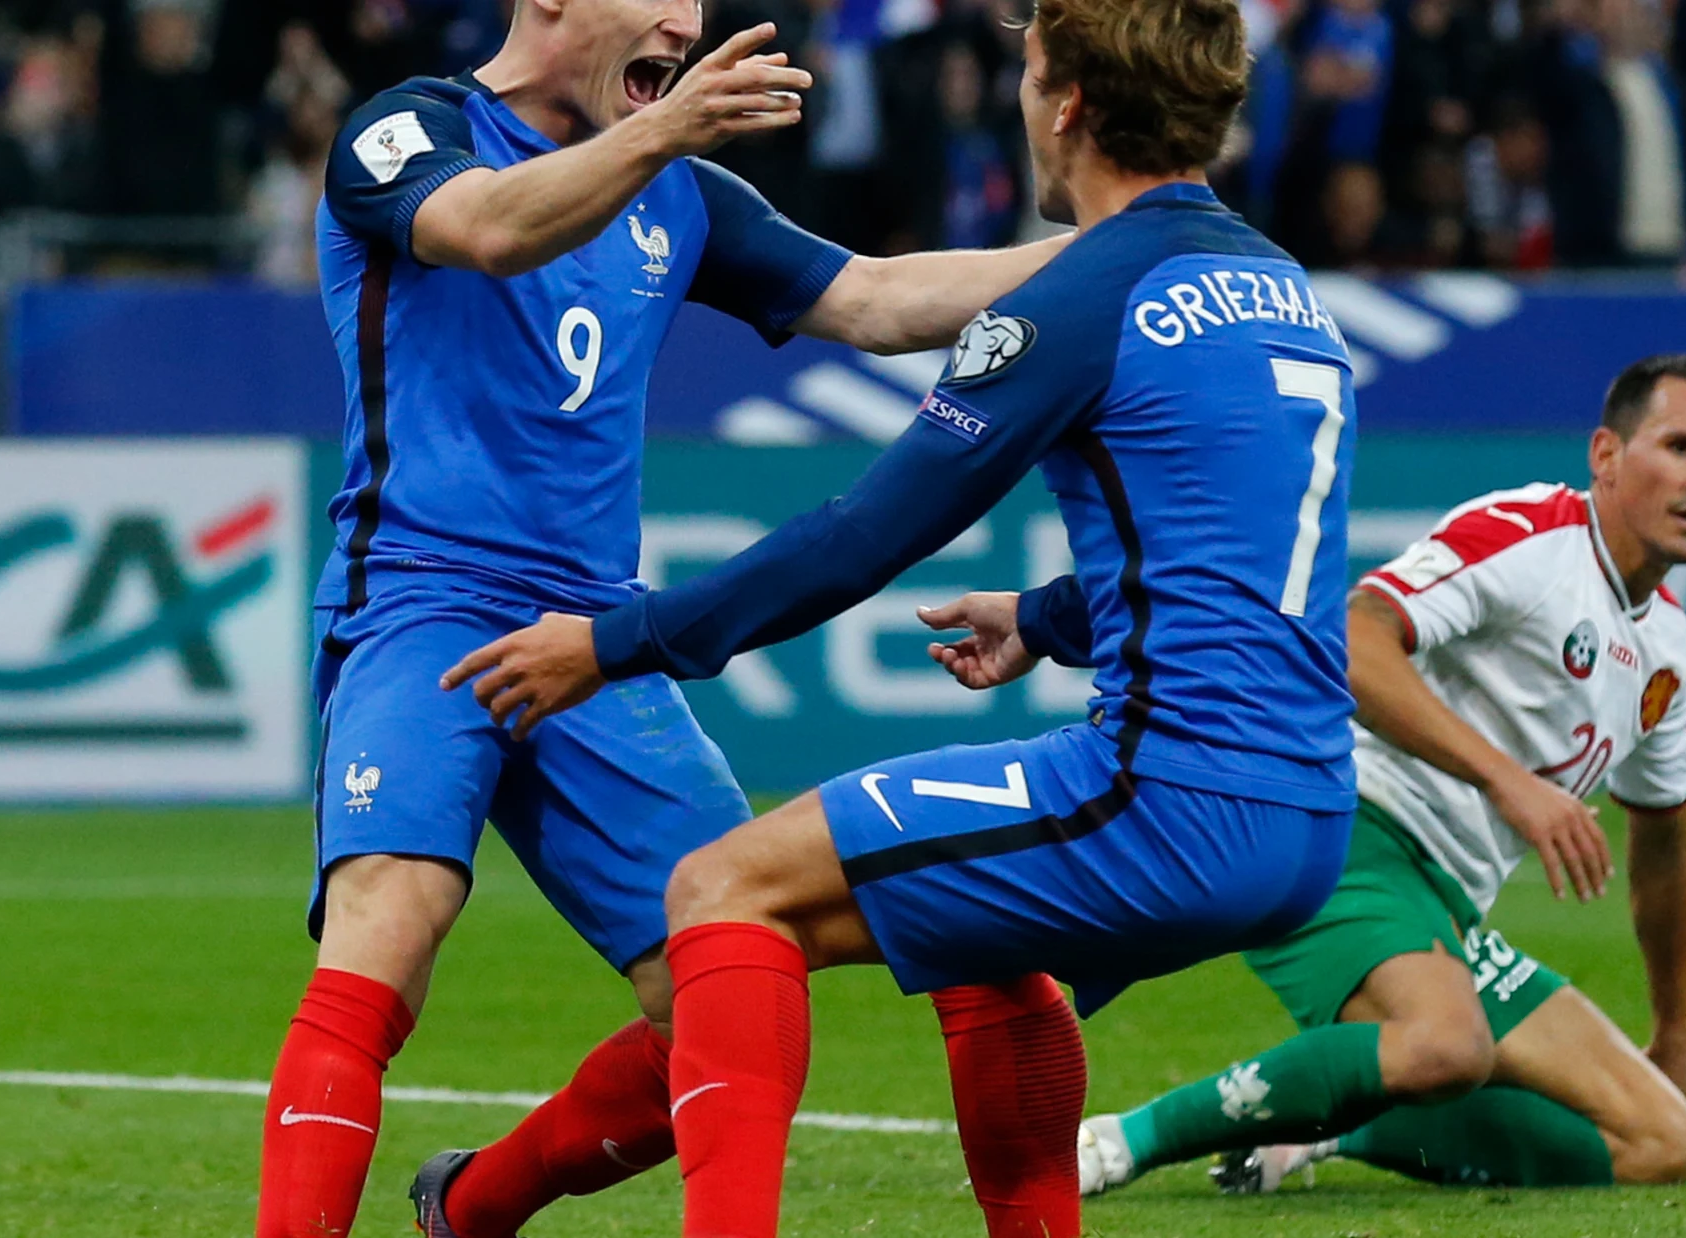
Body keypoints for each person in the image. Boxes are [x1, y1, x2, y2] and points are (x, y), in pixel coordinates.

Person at [437, 1, 1363, 1232]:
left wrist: (611, 642)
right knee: (989, 951)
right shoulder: (1275, 285)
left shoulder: (1083, 294)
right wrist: (1043, 616)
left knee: (724, 887)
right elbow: (1234, 574)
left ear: (1069, 104)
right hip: (1307, 809)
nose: (1021, 106)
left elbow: (864, 533)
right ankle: (474, 1203)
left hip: (1166, 798)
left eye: (1030, 76)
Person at [259, 0, 1076, 1232]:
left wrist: (1117, 247)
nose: (686, 24)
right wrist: (665, 135)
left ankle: (476, 1202)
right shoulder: (405, 133)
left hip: (595, 638)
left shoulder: (679, 190)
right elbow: (484, 229)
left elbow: (877, 299)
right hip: (422, 605)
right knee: (392, 915)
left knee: (727, 977)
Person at [1076, 354, 1686, 1198]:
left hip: (1447, 907)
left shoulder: (1669, 651)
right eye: (1681, 447)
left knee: (1659, 1138)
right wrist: (1509, 781)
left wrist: (1676, 1036)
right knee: (1445, 1044)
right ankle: (1116, 1142)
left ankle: (1331, 1124)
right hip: (1334, 832)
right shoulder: (1532, 540)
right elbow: (1353, 643)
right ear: (1606, 455)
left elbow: (1668, 839)